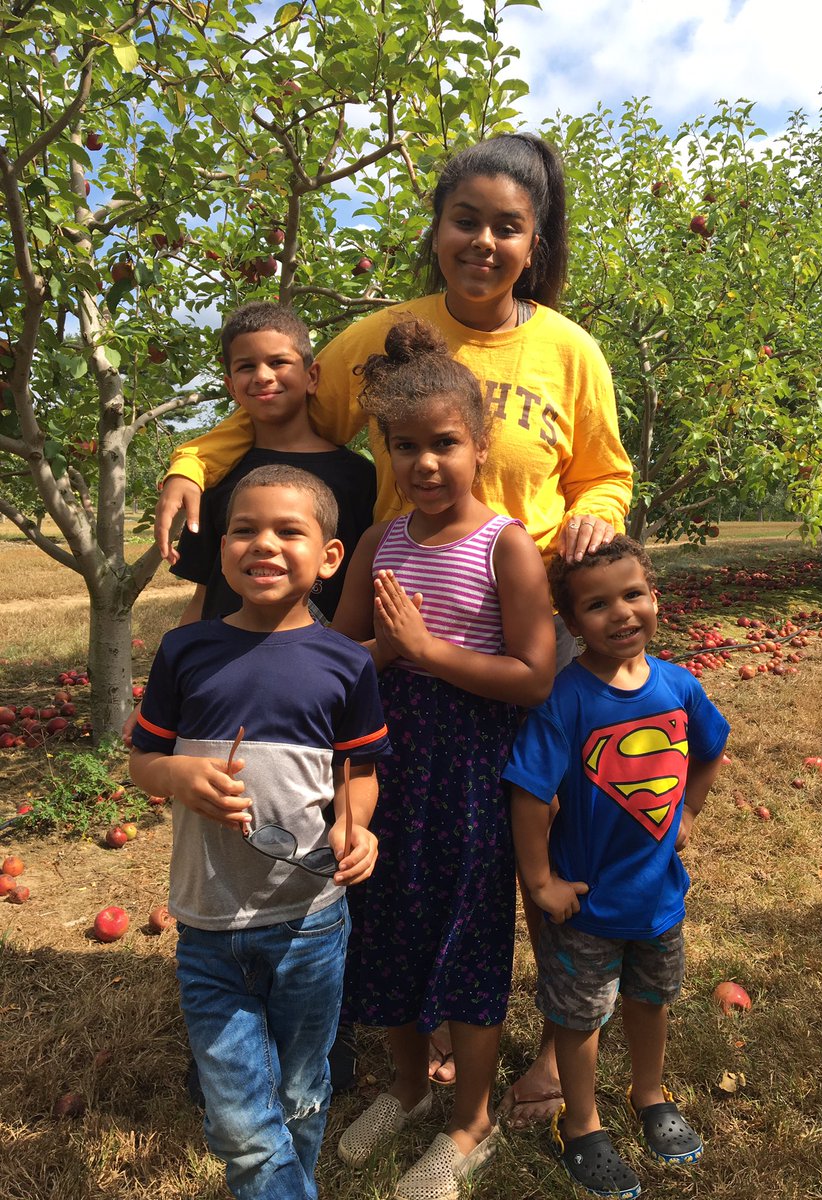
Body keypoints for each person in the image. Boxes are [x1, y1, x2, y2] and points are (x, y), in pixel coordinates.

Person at [151, 131, 634, 1116]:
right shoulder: (376, 336)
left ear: (534, 244)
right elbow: (272, 406)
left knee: (543, 863)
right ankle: (420, 1052)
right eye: (466, 220)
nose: (483, 243)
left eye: (508, 227)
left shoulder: (569, 350)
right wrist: (190, 463)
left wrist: (602, 510)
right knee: (419, 862)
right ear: (437, 229)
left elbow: (604, 469)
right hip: (404, 645)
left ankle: (555, 1053)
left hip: (519, 638)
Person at [330, 319, 557, 1200]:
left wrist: (426, 649)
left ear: (481, 442)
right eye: (405, 447)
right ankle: (406, 1084)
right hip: (389, 761)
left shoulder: (504, 544)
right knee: (384, 916)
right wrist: (389, 653)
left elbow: (535, 677)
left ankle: (472, 1122)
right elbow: (346, 658)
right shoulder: (384, 543)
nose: (425, 464)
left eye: (445, 445)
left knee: (468, 929)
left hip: (469, 768)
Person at [129, 465, 391, 1200]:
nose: (262, 544)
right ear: (220, 550)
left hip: (310, 924)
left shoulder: (344, 664)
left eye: (287, 530)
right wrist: (177, 776)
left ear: (329, 558)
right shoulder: (188, 652)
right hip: (208, 924)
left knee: (304, 1088)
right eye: (243, 529)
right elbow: (142, 760)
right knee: (242, 1126)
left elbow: (360, 769)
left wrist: (357, 824)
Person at [504, 536, 730, 1199]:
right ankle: (582, 1124)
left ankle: (649, 1093)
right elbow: (528, 792)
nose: (621, 614)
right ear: (573, 625)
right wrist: (540, 880)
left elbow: (712, 747)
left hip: (659, 898)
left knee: (651, 999)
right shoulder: (564, 699)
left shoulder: (680, 686)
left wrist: (688, 812)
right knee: (578, 1018)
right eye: (597, 605)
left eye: (633, 595)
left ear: (655, 599)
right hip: (587, 907)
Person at [170, 300, 375, 624]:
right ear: (231, 386)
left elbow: (363, 591)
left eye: (278, 362)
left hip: (322, 663)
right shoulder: (216, 475)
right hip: (223, 665)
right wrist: (176, 665)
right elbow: (203, 595)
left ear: (312, 376)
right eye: (246, 366)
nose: (263, 376)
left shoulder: (360, 478)